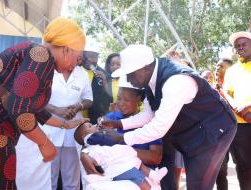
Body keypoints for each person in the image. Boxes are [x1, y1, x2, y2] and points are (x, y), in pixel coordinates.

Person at [92, 44, 237, 190]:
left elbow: (158, 127)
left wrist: (121, 138)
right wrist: (117, 124)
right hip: (194, 131)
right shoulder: (150, 80)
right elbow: (148, 115)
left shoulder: (176, 81)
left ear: (146, 68)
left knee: (199, 184)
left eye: (130, 74)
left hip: (215, 129)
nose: (128, 80)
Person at [0, 17, 88, 189]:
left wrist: (64, 124)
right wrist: (44, 143)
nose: (76, 65)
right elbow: (20, 110)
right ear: (67, 49)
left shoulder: (38, 56)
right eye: (78, 58)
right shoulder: (42, 55)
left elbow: (28, 106)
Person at [74, 122, 167, 190]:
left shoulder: (92, 142)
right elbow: (107, 140)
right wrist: (117, 139)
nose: (94, 125)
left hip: (122, 164)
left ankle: (154, 175)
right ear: (85, 135)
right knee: (138, 177)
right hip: (119, 168)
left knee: (138, 166)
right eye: (90, 126)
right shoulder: (91, 138)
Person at [104, 77, 163, 169]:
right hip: (114, 172)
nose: (121, 103)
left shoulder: (149, 122)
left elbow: (155, 157)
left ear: (138, 99)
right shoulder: (111, 118)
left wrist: (121, 151)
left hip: (142, 177)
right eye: (119, 99)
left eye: (126, 100)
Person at [223, 31, 251, 190]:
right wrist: (237, 108)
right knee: (243, 164)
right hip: (240, 124)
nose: (240, 48)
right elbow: (227, 93)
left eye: (244, 44)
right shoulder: (232, 70)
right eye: (237, 46)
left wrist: (247, 105)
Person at [213, 58, 232, 190]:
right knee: (220, 171)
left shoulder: (236, 85)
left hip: (239, 132)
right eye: (217, 66)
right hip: (219, 135)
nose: (217, 68)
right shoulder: (211, 87)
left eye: (221, 66)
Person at [81, 51, 112, 124]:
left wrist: (105, 84)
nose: (89, 59)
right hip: (74, 116)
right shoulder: (74, 69)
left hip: (93, 119)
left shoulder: (106, 75)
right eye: (85, 55)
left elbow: (109, 100)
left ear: (97, 57)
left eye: (92, 56)